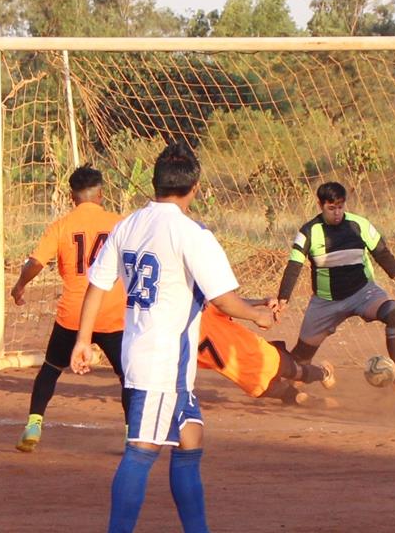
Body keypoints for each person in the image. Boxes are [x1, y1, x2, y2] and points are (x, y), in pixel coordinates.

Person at [70, 143, 274, 533]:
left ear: (155, 183)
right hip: (160, 364)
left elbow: (96, 285)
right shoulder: (191, 232)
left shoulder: (128, 224)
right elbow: (222, 300)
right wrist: (257, 314)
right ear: (195, 187)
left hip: (153, 360)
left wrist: (83, 340)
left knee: (190, 441)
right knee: (140, 452)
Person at [11, 164, 127, 453]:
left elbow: (35, 262)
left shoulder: (61, 225)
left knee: (50, 369)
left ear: (72, 198)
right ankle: (132, 433)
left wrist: (19, 285)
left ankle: (34, 425)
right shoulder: (120, 223)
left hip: (74, 314)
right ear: (101, 195)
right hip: (113, 313)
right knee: (128, 377)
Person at [276, 181, 395, 392]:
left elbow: (385, 257)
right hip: (325, 302)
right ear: (320, 205)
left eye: (340, 207)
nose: (337, 213)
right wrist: (283, 300)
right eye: (331, 208)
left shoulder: (359, 225)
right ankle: (310, 377)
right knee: (298, 361)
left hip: (362, 293)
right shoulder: (309, 231)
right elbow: (294, 266)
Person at [197, 298, 335, 406]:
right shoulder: (207, 312)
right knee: (297, 371)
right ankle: (324, 374)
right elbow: (231, 303)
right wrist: (262, 302)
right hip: (264, 357)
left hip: (250, 382)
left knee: (284, 393)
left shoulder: (187, 341)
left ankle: (297, 397)